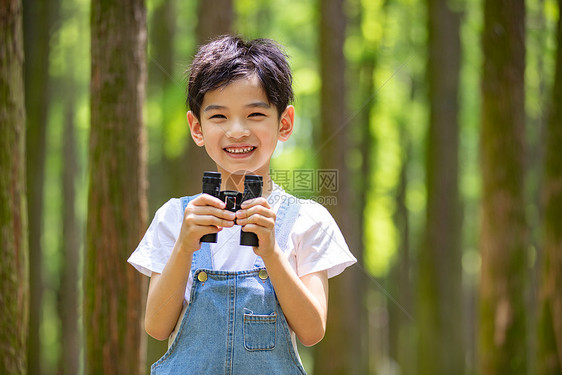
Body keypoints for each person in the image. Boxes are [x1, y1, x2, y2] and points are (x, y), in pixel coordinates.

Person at [128, 35, 356, 374]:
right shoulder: (175, 218)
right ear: (197, 127)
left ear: (285, 123)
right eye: (219, 116)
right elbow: (157, 326)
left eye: (255, 114)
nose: (237, 131)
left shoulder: (307, 220)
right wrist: (184, 246)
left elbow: (312, 331)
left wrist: (272, 254)